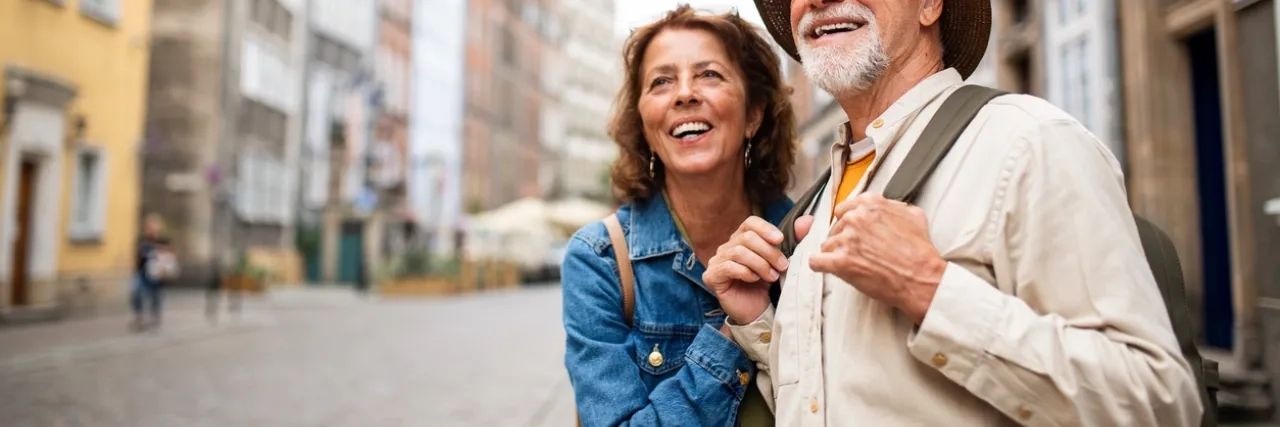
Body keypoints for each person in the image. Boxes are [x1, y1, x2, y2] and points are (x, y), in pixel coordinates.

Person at [703, 0, 1205, 425]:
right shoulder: (815, 204)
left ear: (930, 4)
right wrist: (760, 323)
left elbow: (1158, 401)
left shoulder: (1029, 141)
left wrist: (929, 289)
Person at [561, 5, 797, 426]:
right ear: (645, 125)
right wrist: (732, 335)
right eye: (661, 81)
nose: (684, 93)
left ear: (753, 115)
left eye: (709, 74)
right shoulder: (598, 260)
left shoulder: (806, 240)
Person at [131, 214, 168, 331]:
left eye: (153, 227)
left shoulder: (163, 242)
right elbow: (138, 257)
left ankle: (155, 318)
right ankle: (139, 317)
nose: (151, 229)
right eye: (149, 227)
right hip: (143, 274)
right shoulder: (142, 242)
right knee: (136, 294)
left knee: (156, 298)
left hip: (158, 275)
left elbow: (169, 258)